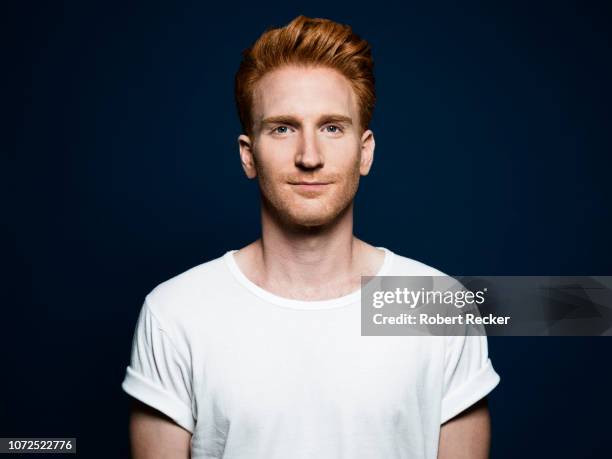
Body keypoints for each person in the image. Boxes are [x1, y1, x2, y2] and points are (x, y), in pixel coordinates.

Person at [121, 15, 500, 459]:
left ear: (365, 151)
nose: (309, 157)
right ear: (249, 155)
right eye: (283, 128)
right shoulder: (175, 312)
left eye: (332, 127)